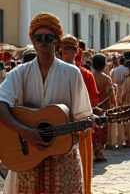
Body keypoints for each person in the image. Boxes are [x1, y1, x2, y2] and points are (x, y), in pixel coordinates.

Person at [0, 13, 94, 193]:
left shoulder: (72, 74)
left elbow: (83, 117)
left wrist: (86, 126)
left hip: (63, 159)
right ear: (33, 41)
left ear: (57, 41)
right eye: (38, 37)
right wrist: (25, 131)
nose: (43, 41)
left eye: (48, 37)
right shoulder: (19, 73)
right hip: (26, 158)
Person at [60, 34, 99, 194]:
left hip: (80, 127)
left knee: (82, 165)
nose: (68, 52)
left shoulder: (86, 75)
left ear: (77, 52)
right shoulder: (50, 71)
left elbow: (91, 105)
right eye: (65, 49)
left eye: (71, 49)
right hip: (59, 128)